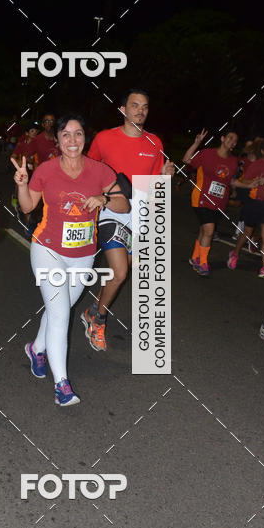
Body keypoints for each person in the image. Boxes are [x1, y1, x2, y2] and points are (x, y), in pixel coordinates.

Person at [13, 114, 124, 405]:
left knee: (58, 309)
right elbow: (28, 206)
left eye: (78, 134)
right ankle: (62, 385)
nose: (72, 140)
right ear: (58, 140)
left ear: (85, 138)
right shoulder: (46, 170)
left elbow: (123, 203)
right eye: (66, 134)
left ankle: (36, 349)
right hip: (47, 250)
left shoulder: (100, 170)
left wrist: (104, 199)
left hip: (83, 256)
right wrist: (22, 184)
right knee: (61, 313)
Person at [82, 89, 174, 351]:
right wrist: (95, 199)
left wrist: (166, 178)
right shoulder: (104, 138)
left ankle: (93, 309)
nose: (140, 111)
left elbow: (155, 184)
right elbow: (88, 170)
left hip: (141, 212)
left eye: (144, 106)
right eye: (134, 105)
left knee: (122, 270)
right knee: (120, 271)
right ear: (123, 109)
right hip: (112, 208)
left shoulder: (155, 142)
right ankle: (99, 319)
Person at [182, 129, 238, 275]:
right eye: (230, 137)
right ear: (223, 138)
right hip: (201, 197)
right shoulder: (207, 153)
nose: (232, 141)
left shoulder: (233, 161)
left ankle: (195, 257)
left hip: (219, 203)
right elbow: (186, 160)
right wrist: (197, 143)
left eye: (235, 141)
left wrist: (248, 185)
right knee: (209, 231)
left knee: (204, 230)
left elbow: (231, 181)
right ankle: (203, 263)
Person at [227, 137, 264, 276]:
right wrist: (256, 181)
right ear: (263, 151)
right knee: (247, 233)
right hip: (254, 203)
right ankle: (235, 254)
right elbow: (244, 180)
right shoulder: (257, 164)